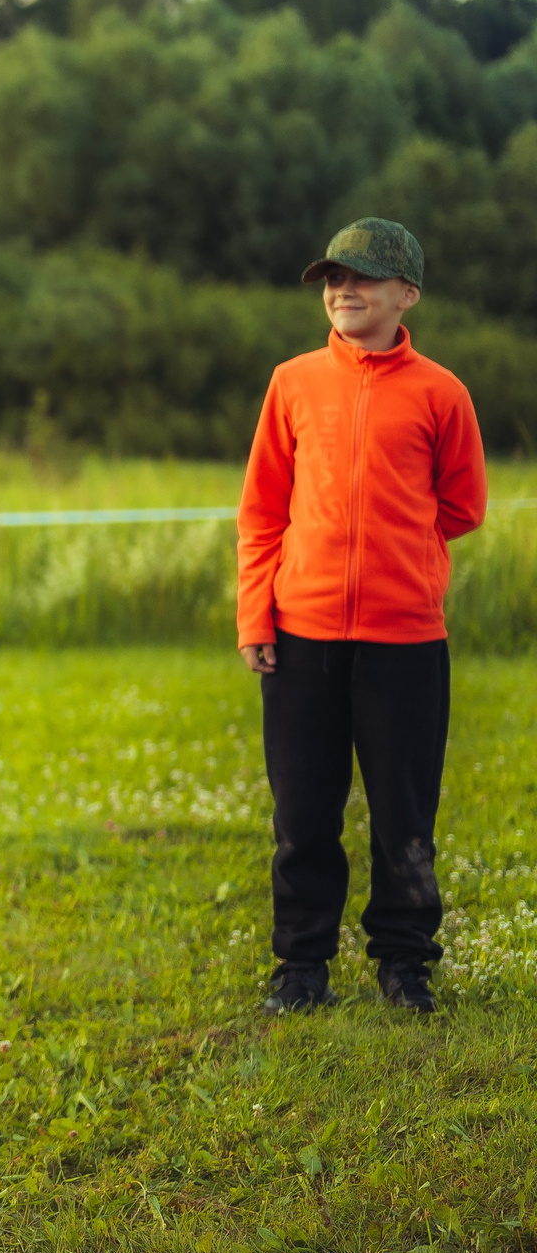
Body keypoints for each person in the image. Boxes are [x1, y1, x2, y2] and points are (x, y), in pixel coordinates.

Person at [239, 218, 485, 1017]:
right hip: (301, 635)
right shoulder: (293, 382)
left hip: (405, 641)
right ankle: (301, 967)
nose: (343, 289)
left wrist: (396, 551)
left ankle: (405, 964)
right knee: (303, 814)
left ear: (406, 294)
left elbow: (462, 505)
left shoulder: (442, 392)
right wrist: (257, 616)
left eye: (363, 278)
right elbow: (262, 511)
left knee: (404, 817)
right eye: (333, 279)